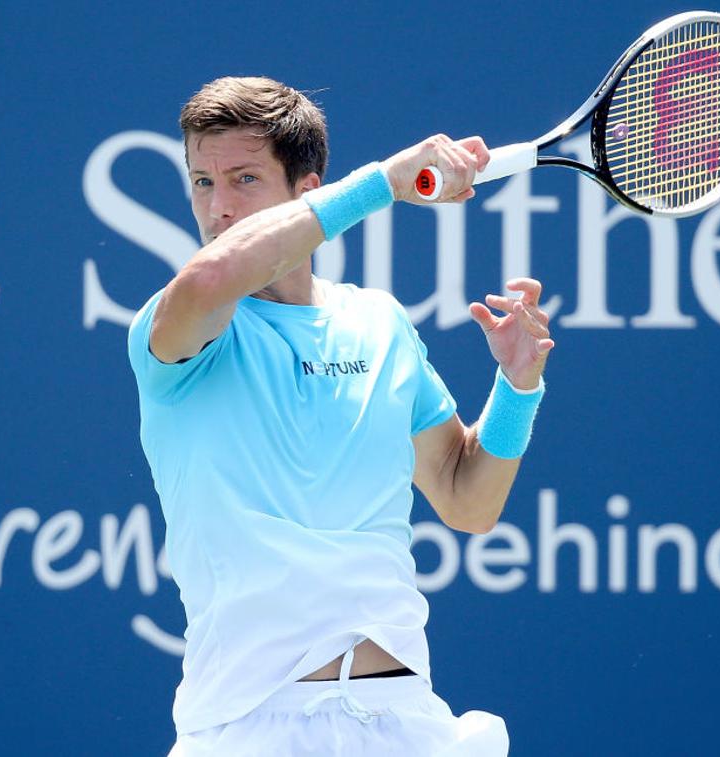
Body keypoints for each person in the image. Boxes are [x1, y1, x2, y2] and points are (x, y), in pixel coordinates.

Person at [128, 76, 554, 757]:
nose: (219, 207)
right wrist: (384, 182)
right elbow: (211, 278)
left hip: (402, 717)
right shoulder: (177, 326)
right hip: (250, 725)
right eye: (202, 183)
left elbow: (465, 498)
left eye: (243, 179)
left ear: (306, 188)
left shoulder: (378, 321)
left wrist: (516, 389)